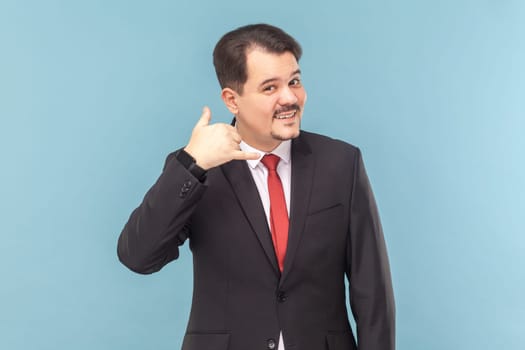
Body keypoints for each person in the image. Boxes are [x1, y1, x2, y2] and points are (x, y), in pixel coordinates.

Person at [117, 23, 395, 350]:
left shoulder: (341, 163)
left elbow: (372, 292)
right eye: (269, 88)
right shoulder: (198, 170)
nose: (290, 98)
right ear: (232, 100)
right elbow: (138, 257)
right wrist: (192, 164)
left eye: (294, 81)